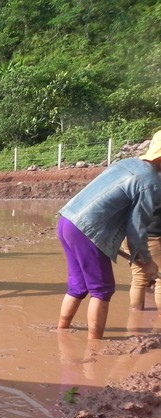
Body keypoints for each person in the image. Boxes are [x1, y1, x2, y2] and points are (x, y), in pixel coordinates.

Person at [57, 130, 161, 339]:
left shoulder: (127, 163)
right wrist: (145, 260)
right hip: (87, 231)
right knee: (103, 290)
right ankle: (95, 346)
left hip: (66, 221)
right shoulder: (151, 182)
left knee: (78, 285)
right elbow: (136, 227)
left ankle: (62, 331)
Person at [126, 210, 161, 313]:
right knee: (160, 279)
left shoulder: (142, 193)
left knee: (139, 278)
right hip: (154, 237)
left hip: (131, 234)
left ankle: (135, 317)